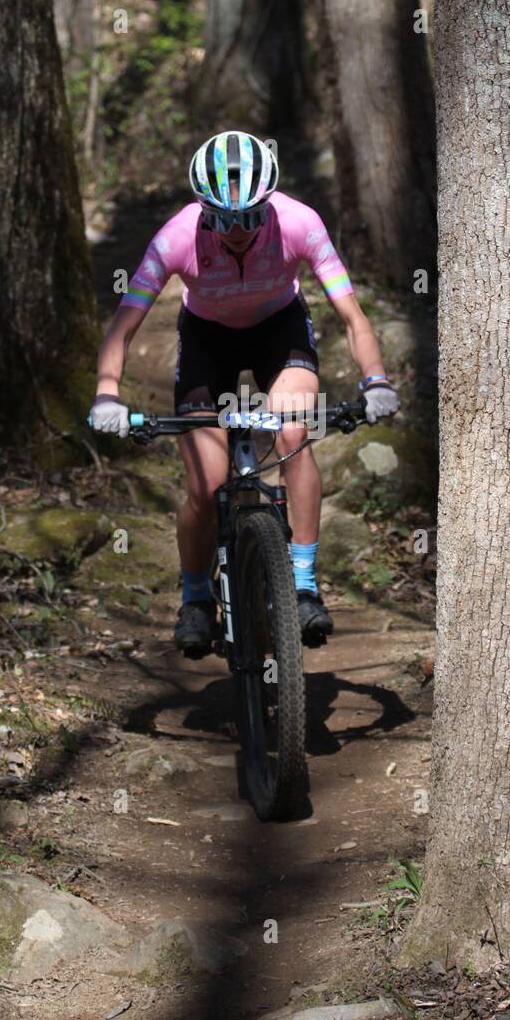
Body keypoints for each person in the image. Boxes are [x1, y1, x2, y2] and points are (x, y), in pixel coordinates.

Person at [89, 131, 399, 654]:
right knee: (206, 487)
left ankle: (301, 585)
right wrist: (106, 393)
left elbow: (352, 316)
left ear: (269, 207)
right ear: (201, 210)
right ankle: (194, 598)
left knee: (294, 432)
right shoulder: (175, 237)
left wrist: (376, 381)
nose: (236, 232)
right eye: (223, 220)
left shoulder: (300, 222)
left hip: (279, 332)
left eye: (249, 218)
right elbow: (123, 327)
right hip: (207, 342)